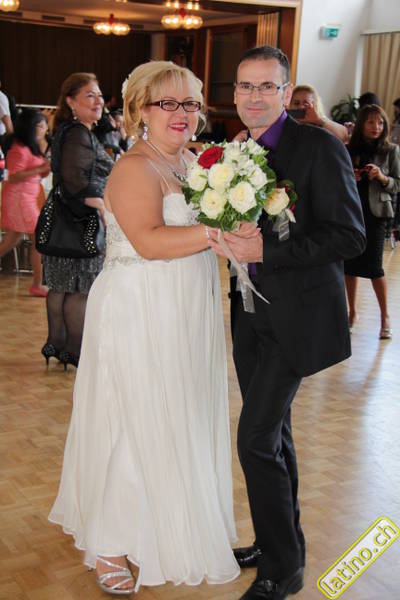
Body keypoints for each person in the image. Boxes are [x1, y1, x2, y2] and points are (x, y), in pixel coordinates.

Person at [48, 61, 240, 596]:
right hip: (140, 305)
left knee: (173, 413)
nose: (182, 113)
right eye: (167, 103)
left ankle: (158, 525)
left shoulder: (190, 162)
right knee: (133, 420)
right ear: (140, 110)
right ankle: (109, 545)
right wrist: (218, 233)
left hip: (184, 305)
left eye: (190, 103)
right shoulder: (135, 167)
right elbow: (151, 242)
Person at [209, 45, 365, 600]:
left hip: (296, 319)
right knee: (274, 435)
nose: (254, 96)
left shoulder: (318, 147)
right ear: (234, 93)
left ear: (285, 92)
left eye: (266, 86)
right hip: (248, 314)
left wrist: (266, 252)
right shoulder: (233, 151)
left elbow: (350, 236)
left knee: (254, 440)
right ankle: (277, 542)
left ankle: (285, 568)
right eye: (244, 86)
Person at [40, 73, 114, 368]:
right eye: (90, 95)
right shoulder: (78, 133)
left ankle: (58, 345)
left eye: (99, 95)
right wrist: (104, 209)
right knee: (79, 289)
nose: (98, 101)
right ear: (71, 101)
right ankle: (74, 350)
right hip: (79, 224)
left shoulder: (73, 131)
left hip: (65, 223)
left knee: (61, 286)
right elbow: (76, 183)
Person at [344, 104, 400, 339]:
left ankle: (385, 317)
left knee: (375, 268)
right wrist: (353, 177)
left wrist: (382, 177)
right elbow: (340, 180)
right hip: (352, 214)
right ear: (361, 124)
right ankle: (352, 312)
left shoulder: (391, 151)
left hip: (377, 216)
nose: (376, 127)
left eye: (380, 122)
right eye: (370, 122)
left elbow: (397, 184)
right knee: (349, 266)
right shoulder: (349, 149)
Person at [0, 108, 50, 295]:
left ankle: (37, 283)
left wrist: (44, 169)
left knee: (11, 240)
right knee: (37, 238)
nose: (44, 130)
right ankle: (37, 284)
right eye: (41, 126)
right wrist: (40, 169)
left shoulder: (31, 147)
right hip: (19, 198)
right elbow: (13, 176)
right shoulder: (19, 149)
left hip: (26, 197)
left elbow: (37, 173)